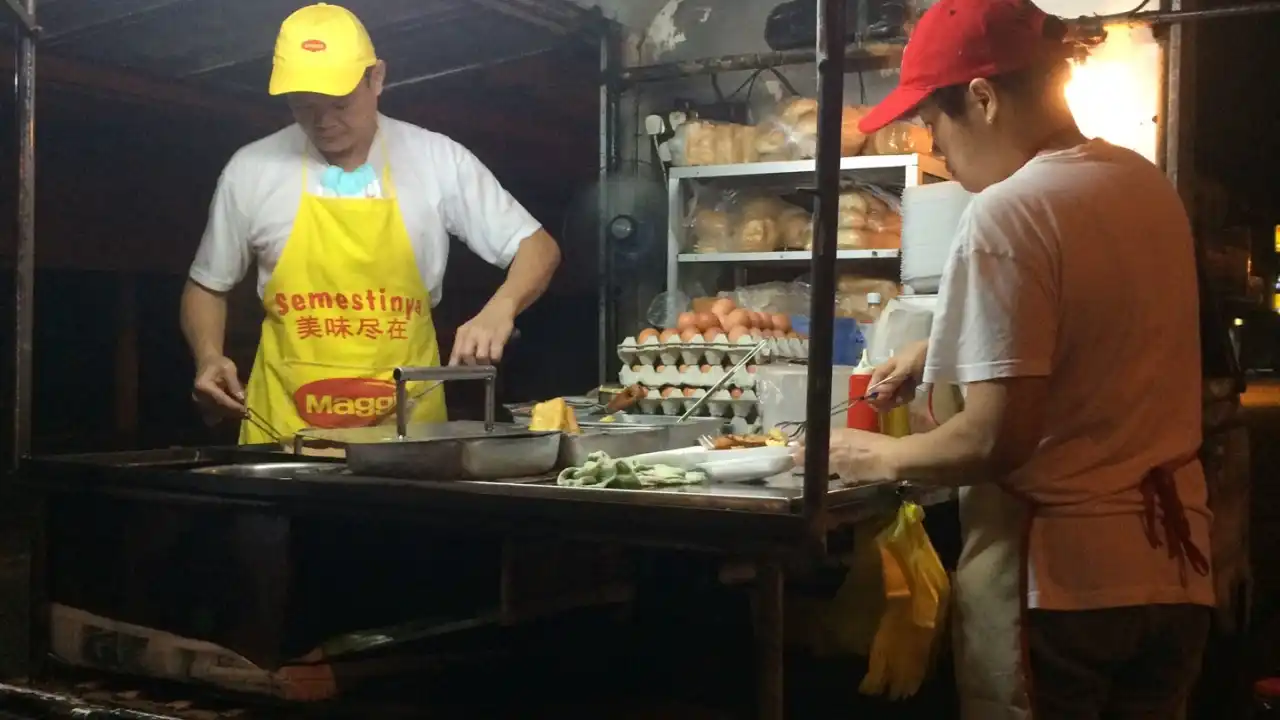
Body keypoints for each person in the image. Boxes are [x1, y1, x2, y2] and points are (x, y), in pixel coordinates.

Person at [807, 0, 1214, 717]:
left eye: (934, 122)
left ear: (983, 98)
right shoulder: (1143, 185)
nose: (939, 145)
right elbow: (1096, 321)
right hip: (1171, 575)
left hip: (1060, 591)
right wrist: (944, 345)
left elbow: (997, 437)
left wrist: (873, 457)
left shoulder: (1008, 211)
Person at [180, 3, 561, 443]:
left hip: (407, 437)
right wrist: (208, 356)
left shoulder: (437, 160)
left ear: (376, 78)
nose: (323, 121)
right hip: (284, 435)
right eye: (303, 105)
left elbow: (539, 247)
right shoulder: (250, 170)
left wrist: (502, 307)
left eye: (339, 103)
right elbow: (207, 285)